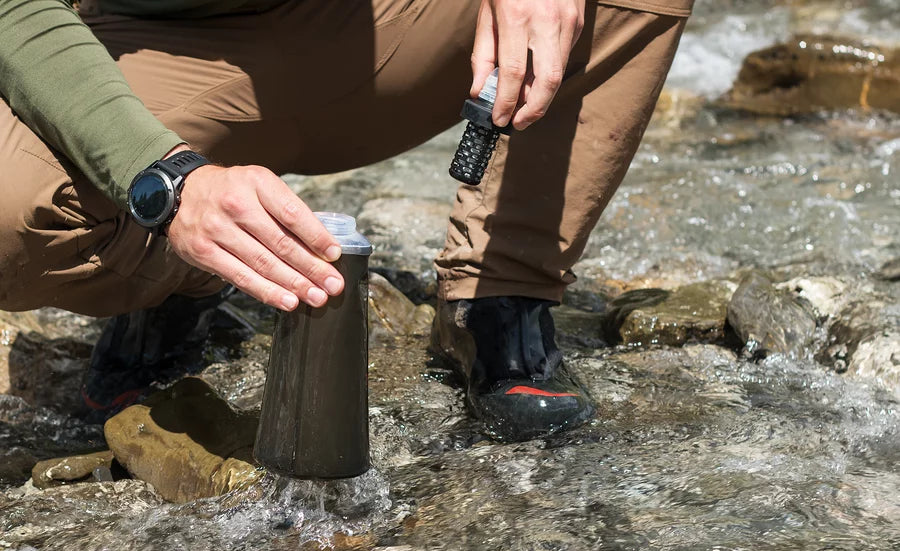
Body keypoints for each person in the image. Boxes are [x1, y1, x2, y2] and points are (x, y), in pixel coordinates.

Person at [0, 0, 692, 439]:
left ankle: (500, 295)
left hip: (392, 30)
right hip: (155, 44)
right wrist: (165, 181)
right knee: (12, 220)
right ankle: (183, 270)